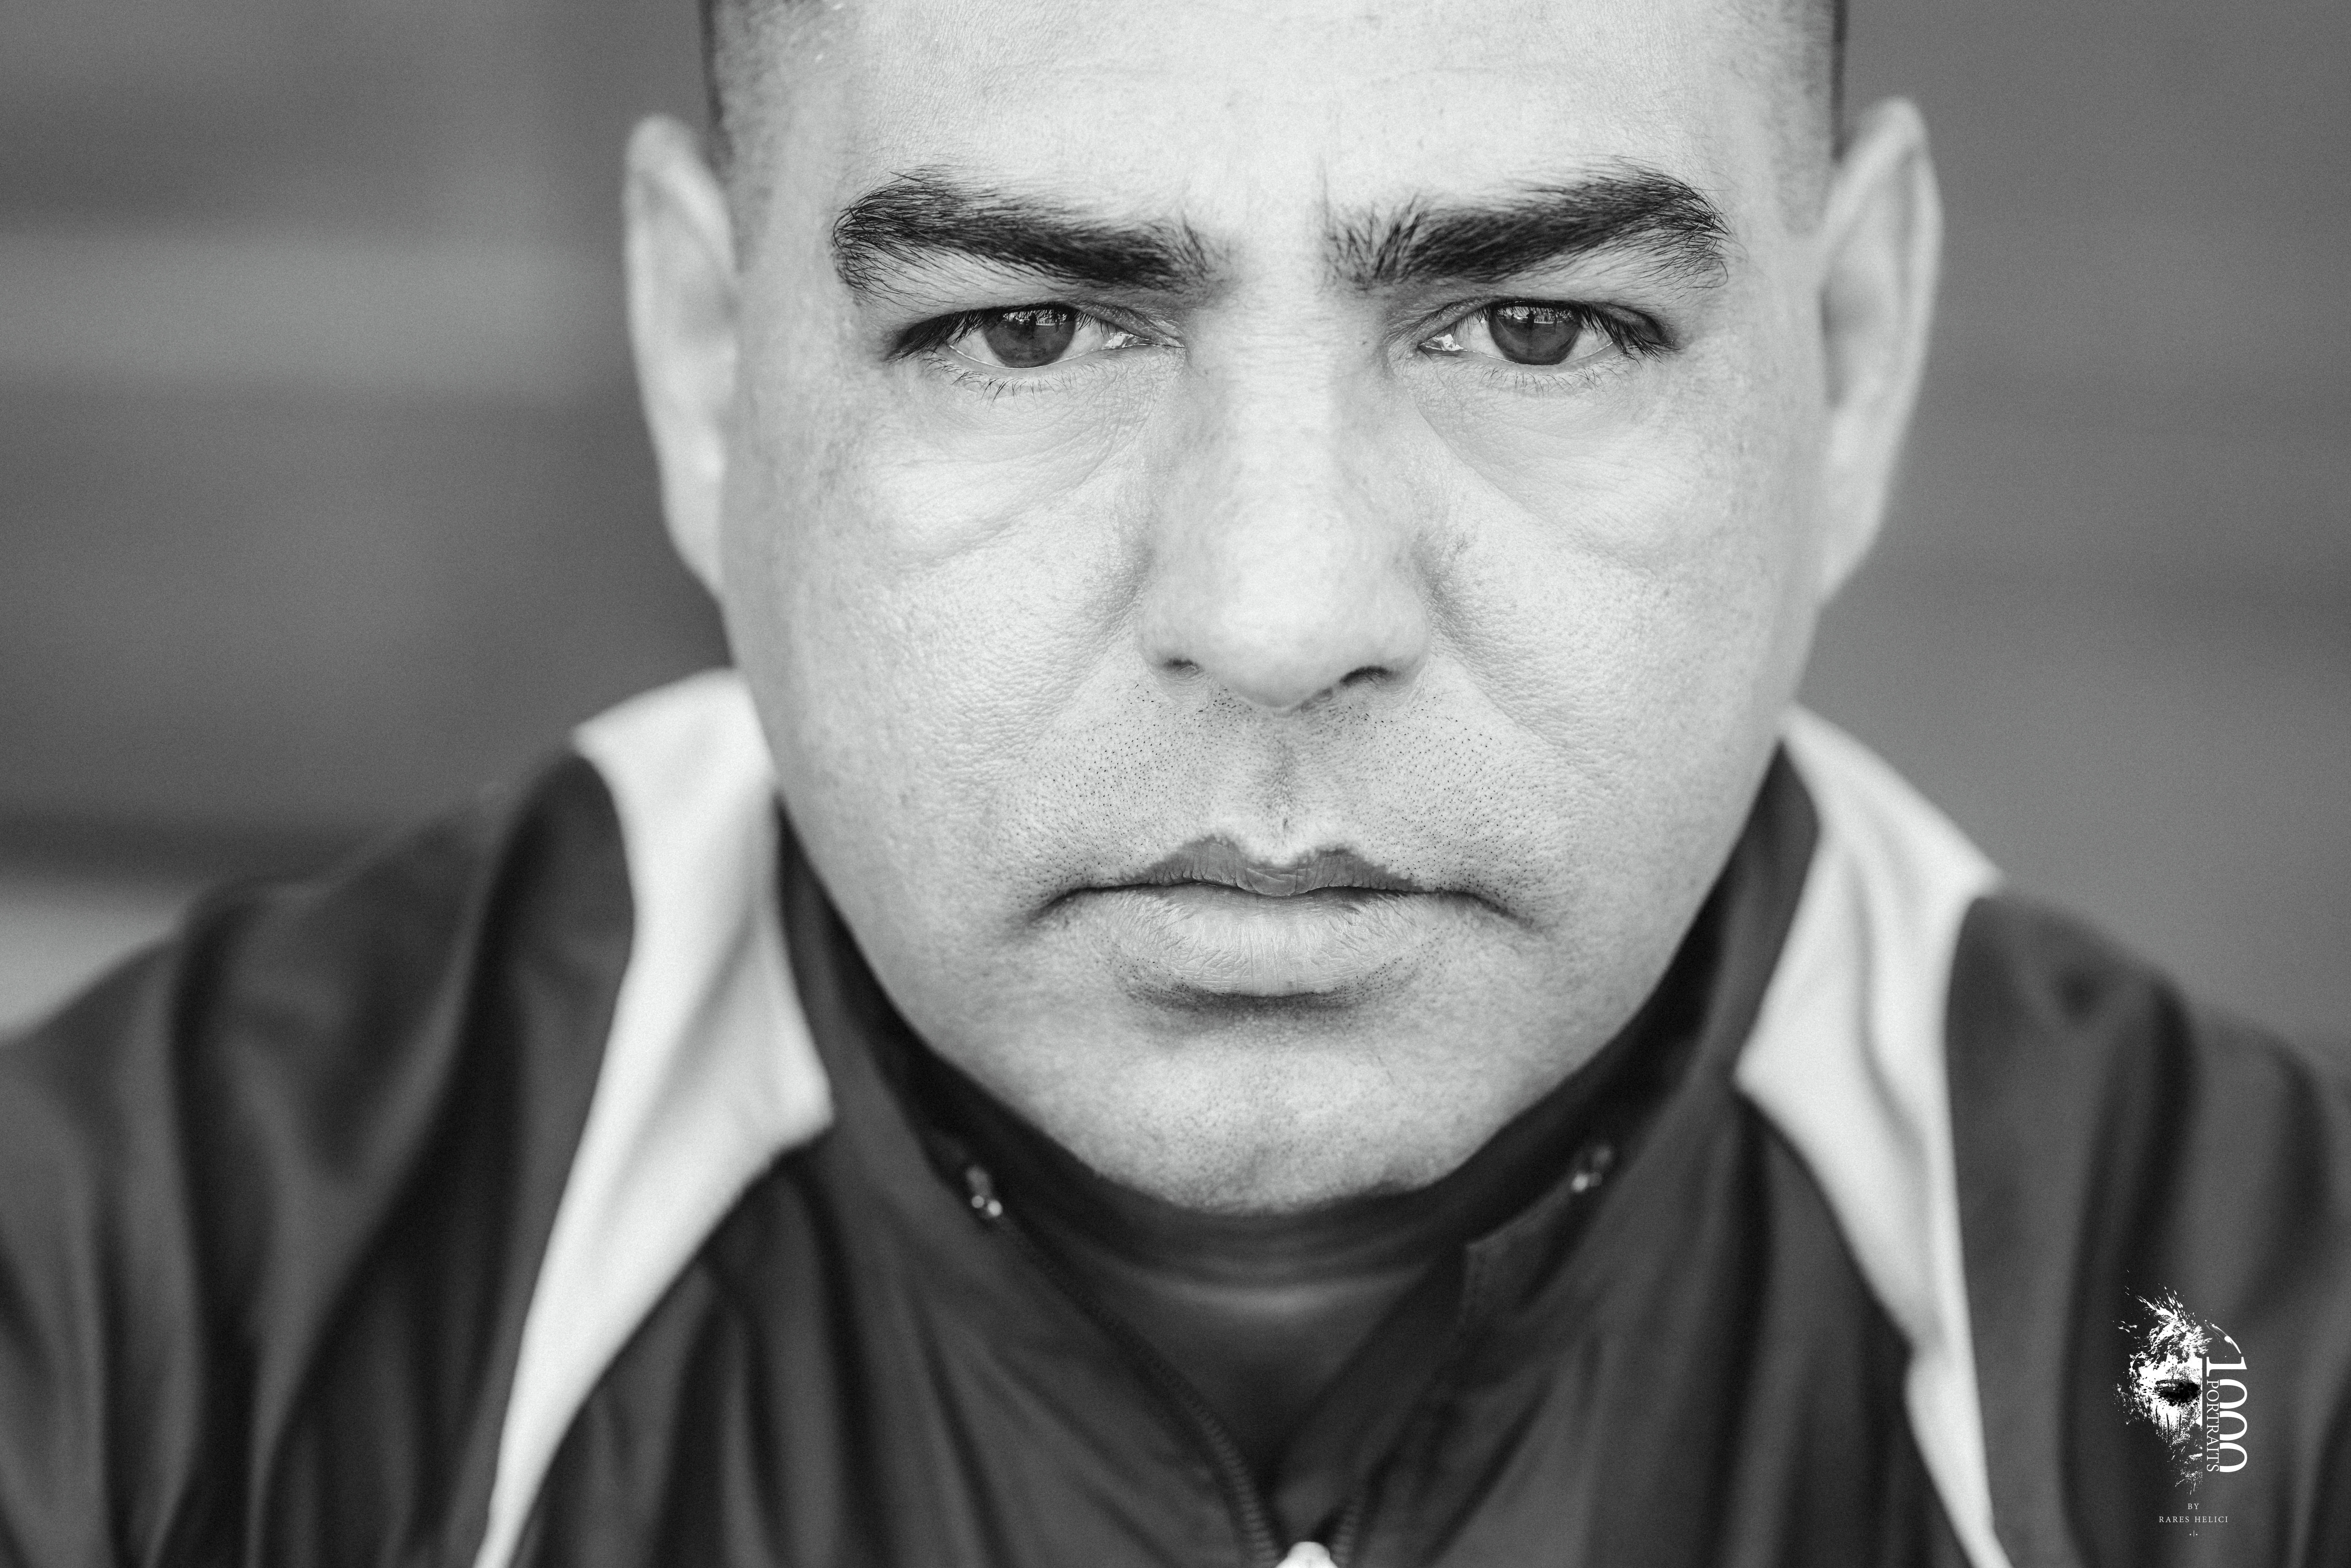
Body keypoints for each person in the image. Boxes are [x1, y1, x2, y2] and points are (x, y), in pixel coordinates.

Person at [1, 0, 2344, 1563]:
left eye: (1536, 326)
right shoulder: (144, 1307)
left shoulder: (2239, 1382)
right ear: (711, 369)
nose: (1278, 604)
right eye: (1021, 329)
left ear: (1850, 358)